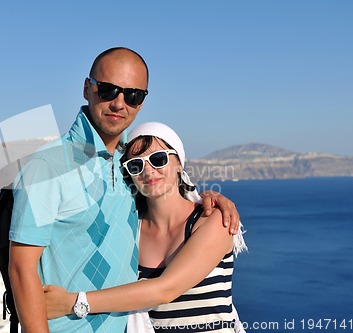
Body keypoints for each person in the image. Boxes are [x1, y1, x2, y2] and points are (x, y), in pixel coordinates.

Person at [8, 47, 241, 333]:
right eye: (107, 90)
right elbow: (21, 268)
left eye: (132, 95)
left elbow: (167, 191)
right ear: (86, 88)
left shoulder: (124, 163)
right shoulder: (48, 165)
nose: (119, 103)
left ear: (142, 102)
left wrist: (211, 199)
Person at [43, 122, 247, 332]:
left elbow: (165, 290)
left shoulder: (213, 220)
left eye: (158, 159)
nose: (148, 171)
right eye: (135, 165)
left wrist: (74, 303)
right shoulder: (131, 229)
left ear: (179, 164)